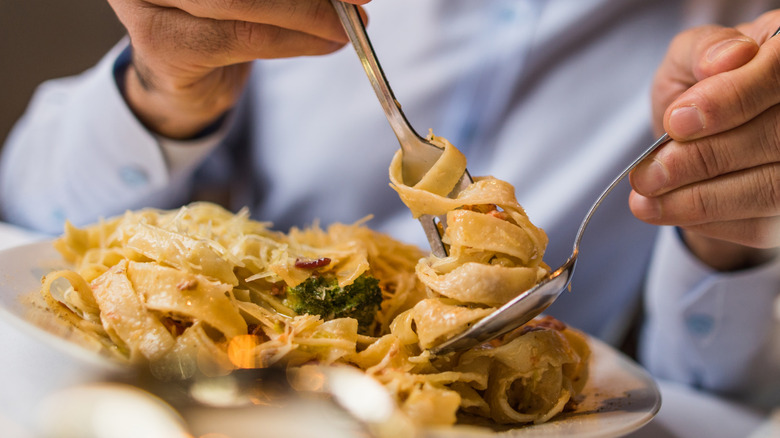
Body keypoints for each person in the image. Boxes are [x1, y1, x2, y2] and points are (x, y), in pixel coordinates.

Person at [1, 0, 779, 408]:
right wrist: (163, 92)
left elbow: (713, 400)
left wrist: (728, 233)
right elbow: (26, 220)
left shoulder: (753, 44)